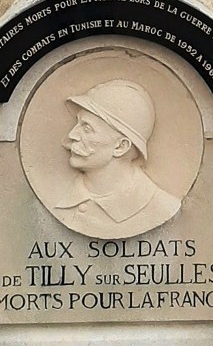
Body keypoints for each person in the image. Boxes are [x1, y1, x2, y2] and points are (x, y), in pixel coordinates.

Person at [53, 79, 181, 238]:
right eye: (77, 124)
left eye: (87, 128)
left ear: (121, 147)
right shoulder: (63, 200)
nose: (72, 135)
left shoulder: (161, 207)